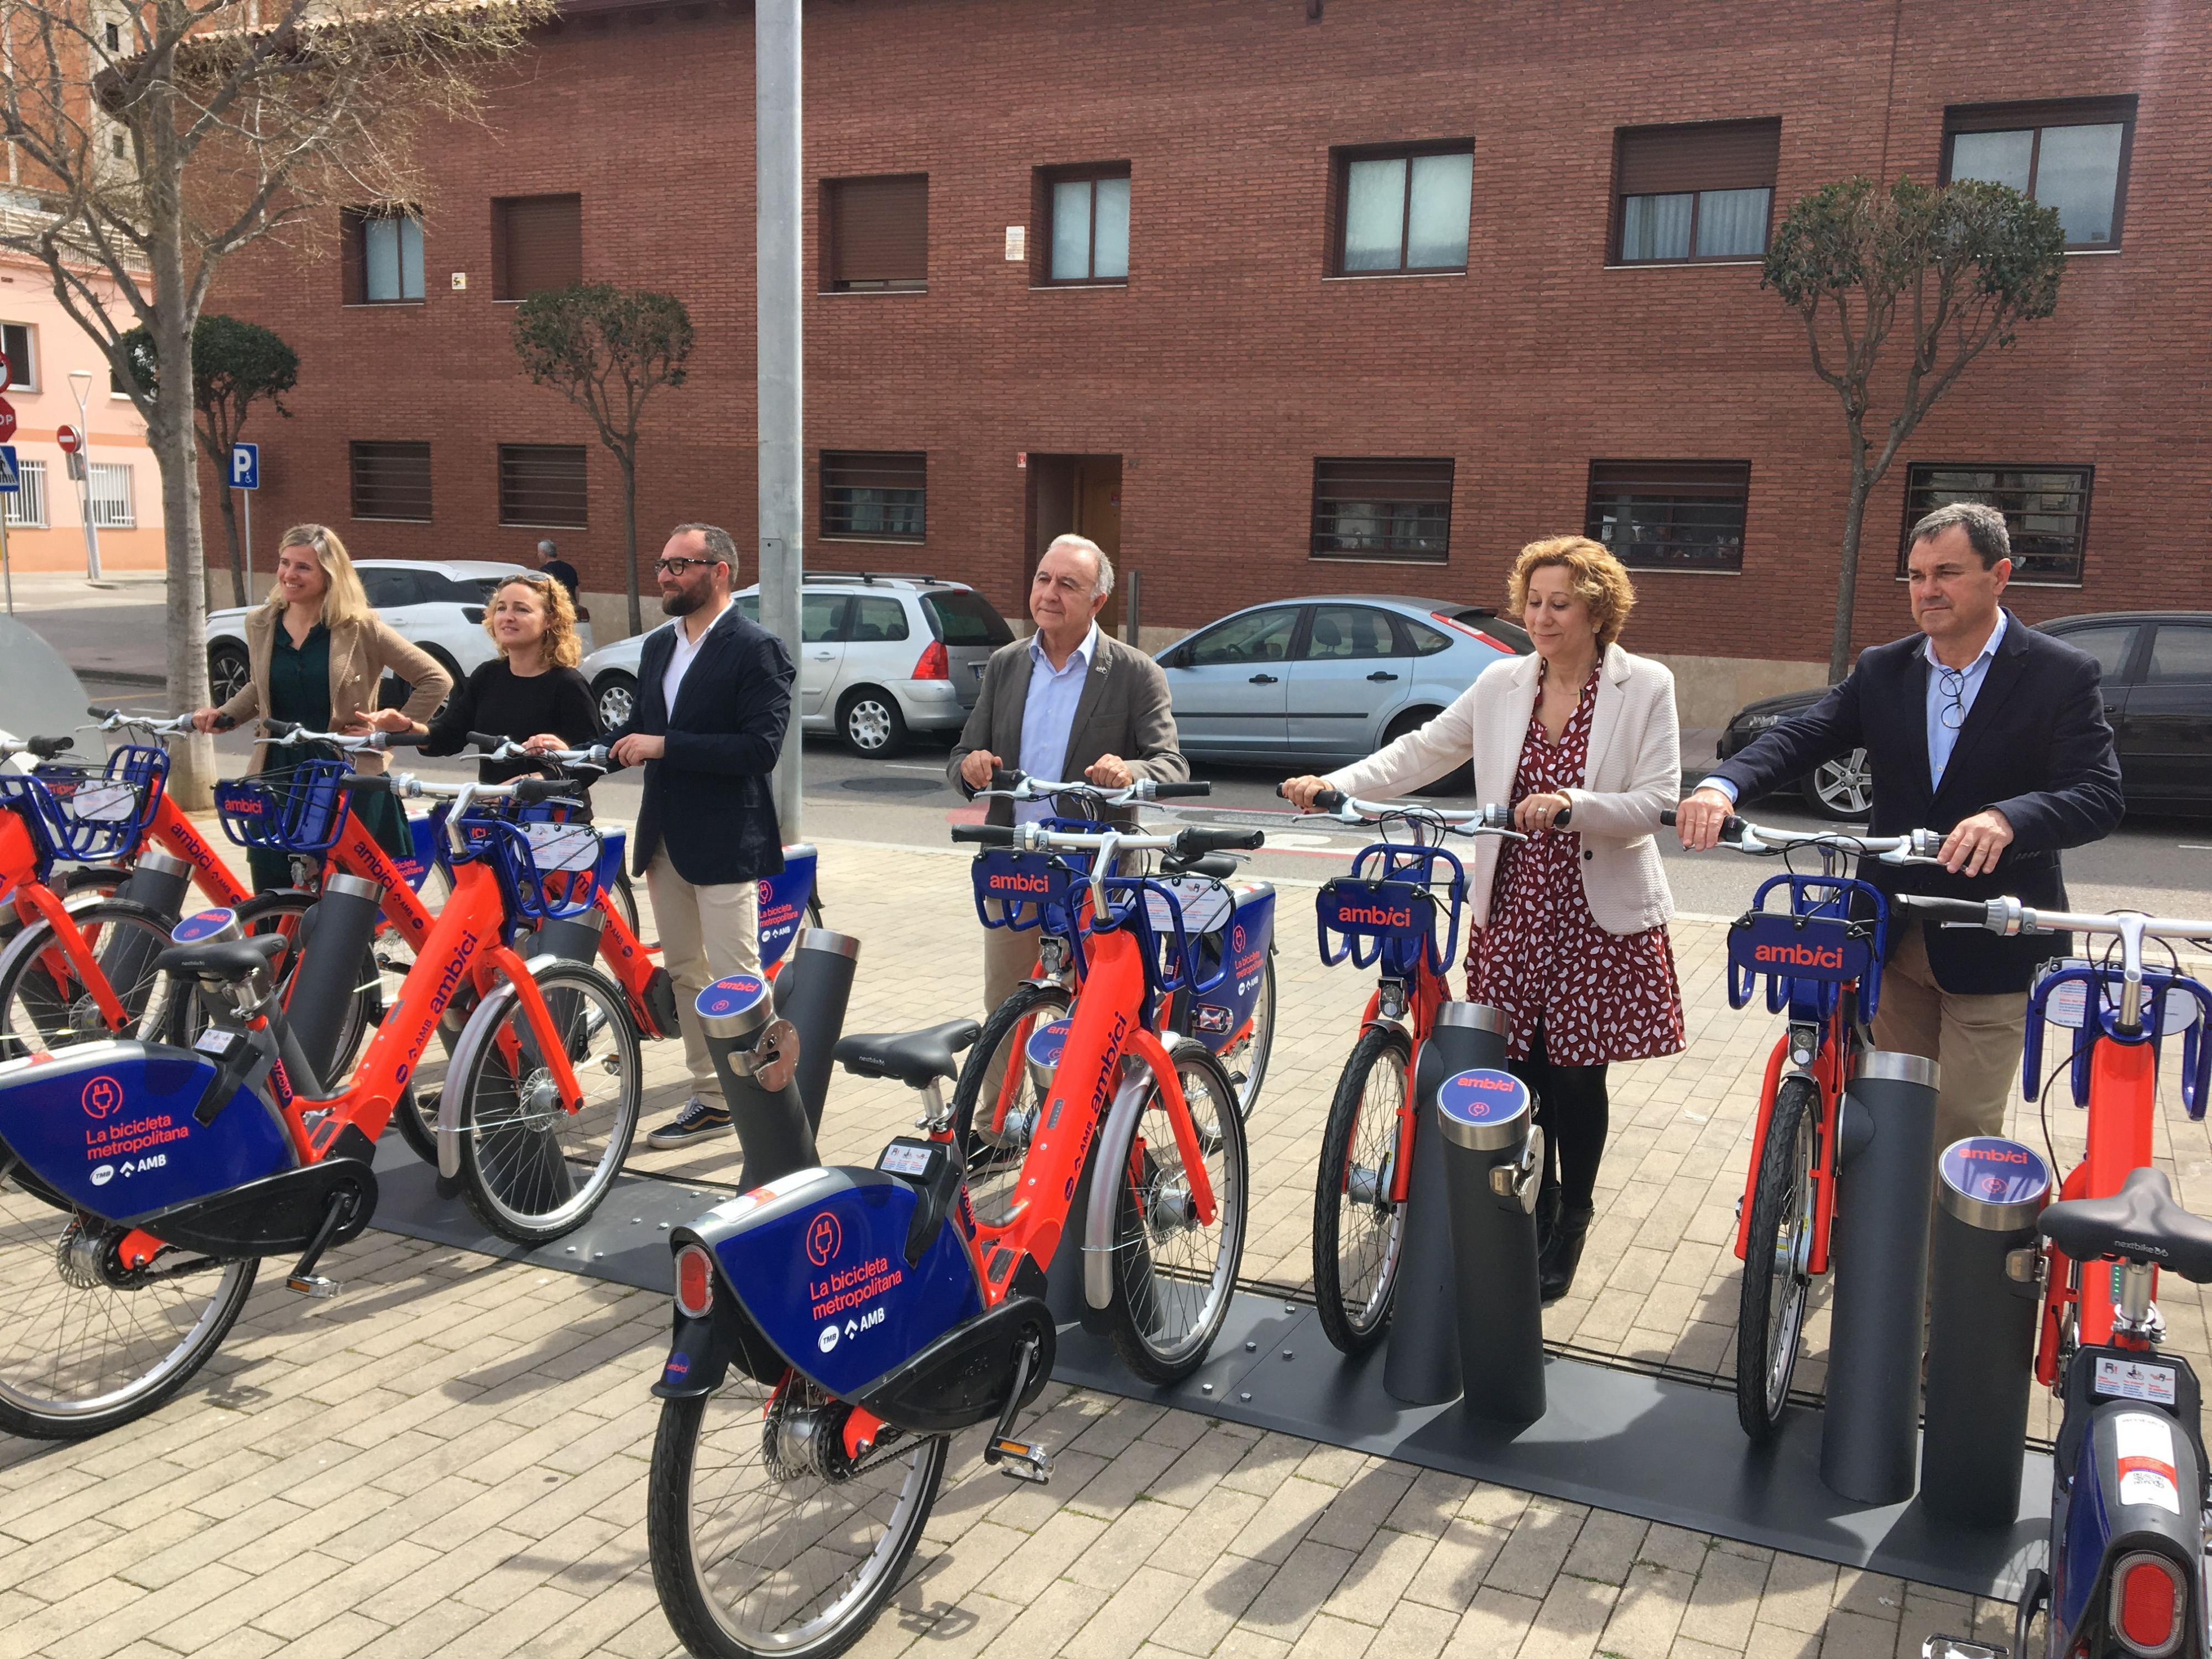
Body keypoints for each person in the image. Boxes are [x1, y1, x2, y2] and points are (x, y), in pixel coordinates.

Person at [1283, 535, 1683, 1302]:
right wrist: (1336, 785)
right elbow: (1421, 752)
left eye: (1559, 603)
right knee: (1520, 1071)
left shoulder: (1646, 687)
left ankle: (1574, 1215)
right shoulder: (1504, 683)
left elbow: (1654, 803)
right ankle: (1531, 1203)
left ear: (1598, 610)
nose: (1541, 616)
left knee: (1575, 1076)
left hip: (1595, 912)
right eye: (1532, 601)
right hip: (1517, 904)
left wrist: (1575, 807)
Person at [1677, 500, 2124, 1160]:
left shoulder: (2059, 674)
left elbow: (2098, 793)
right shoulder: (1886, 668)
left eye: (1946, 572)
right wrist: (1722, 785)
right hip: (1892, 934)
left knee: (1961, 1128)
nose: (1927, 591)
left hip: (1988, 937)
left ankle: (1952, 1262)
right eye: (1916, 576)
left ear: (1998, 575)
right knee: (1889, 1115)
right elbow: (1806, 735)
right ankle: (1878, 1254)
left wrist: (2009, 817)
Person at [602, 524, 795, 1150]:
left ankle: (766, 1098)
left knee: (736, 977)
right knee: (686, 973)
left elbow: (760, 749)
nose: (664, 575)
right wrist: (580, 751)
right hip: (664, 837)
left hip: (724, 839)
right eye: (661, 563)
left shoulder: (755, 648)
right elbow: (638, 731)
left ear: (720, 571)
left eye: (679, 565)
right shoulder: (659, 645)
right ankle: (712, 1097)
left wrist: (667, 747)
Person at [949, 534, 1187, 1024]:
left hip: (1097, 875)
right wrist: (971, 767)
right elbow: (961, 756)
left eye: (1068, 585)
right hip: (1016, 865)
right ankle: (997, 1103)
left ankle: (1091, 1103)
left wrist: (1128, 771)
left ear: (1097, 601)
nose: (1049, 594)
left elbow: (1170, 764)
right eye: (1043, 579)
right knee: (1005, 1010)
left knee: (1096, 1015)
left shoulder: (1135, 672)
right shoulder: (1007, 664)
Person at [192, 524, 451, 893]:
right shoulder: (261, 623)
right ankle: (278, 952)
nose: (289, 575)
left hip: (344, 772)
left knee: (342, 899)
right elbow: (260, 685)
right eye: (285, 563)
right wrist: (226, 714)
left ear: (330, 575)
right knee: (271, 886)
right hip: (277, 772)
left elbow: (435, 679)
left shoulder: (360, 626)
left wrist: (388, 736)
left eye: (303, 567)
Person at [361, 572, 601, 785]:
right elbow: (448, 736)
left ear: (550, 621)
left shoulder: (568, 684)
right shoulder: (488, 675)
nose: (508, 617)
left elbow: (589, 765)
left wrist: (531, 782)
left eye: (522, 609)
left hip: (553, 819)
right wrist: (408, 727)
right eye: (501, 608)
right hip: (492, 814)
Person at [535, 539, 581, 603]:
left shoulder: (545, 570)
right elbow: (577, 589)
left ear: (544, 554)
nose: (538, 555)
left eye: (539, 552)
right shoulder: (569, 568)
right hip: (569, 606)